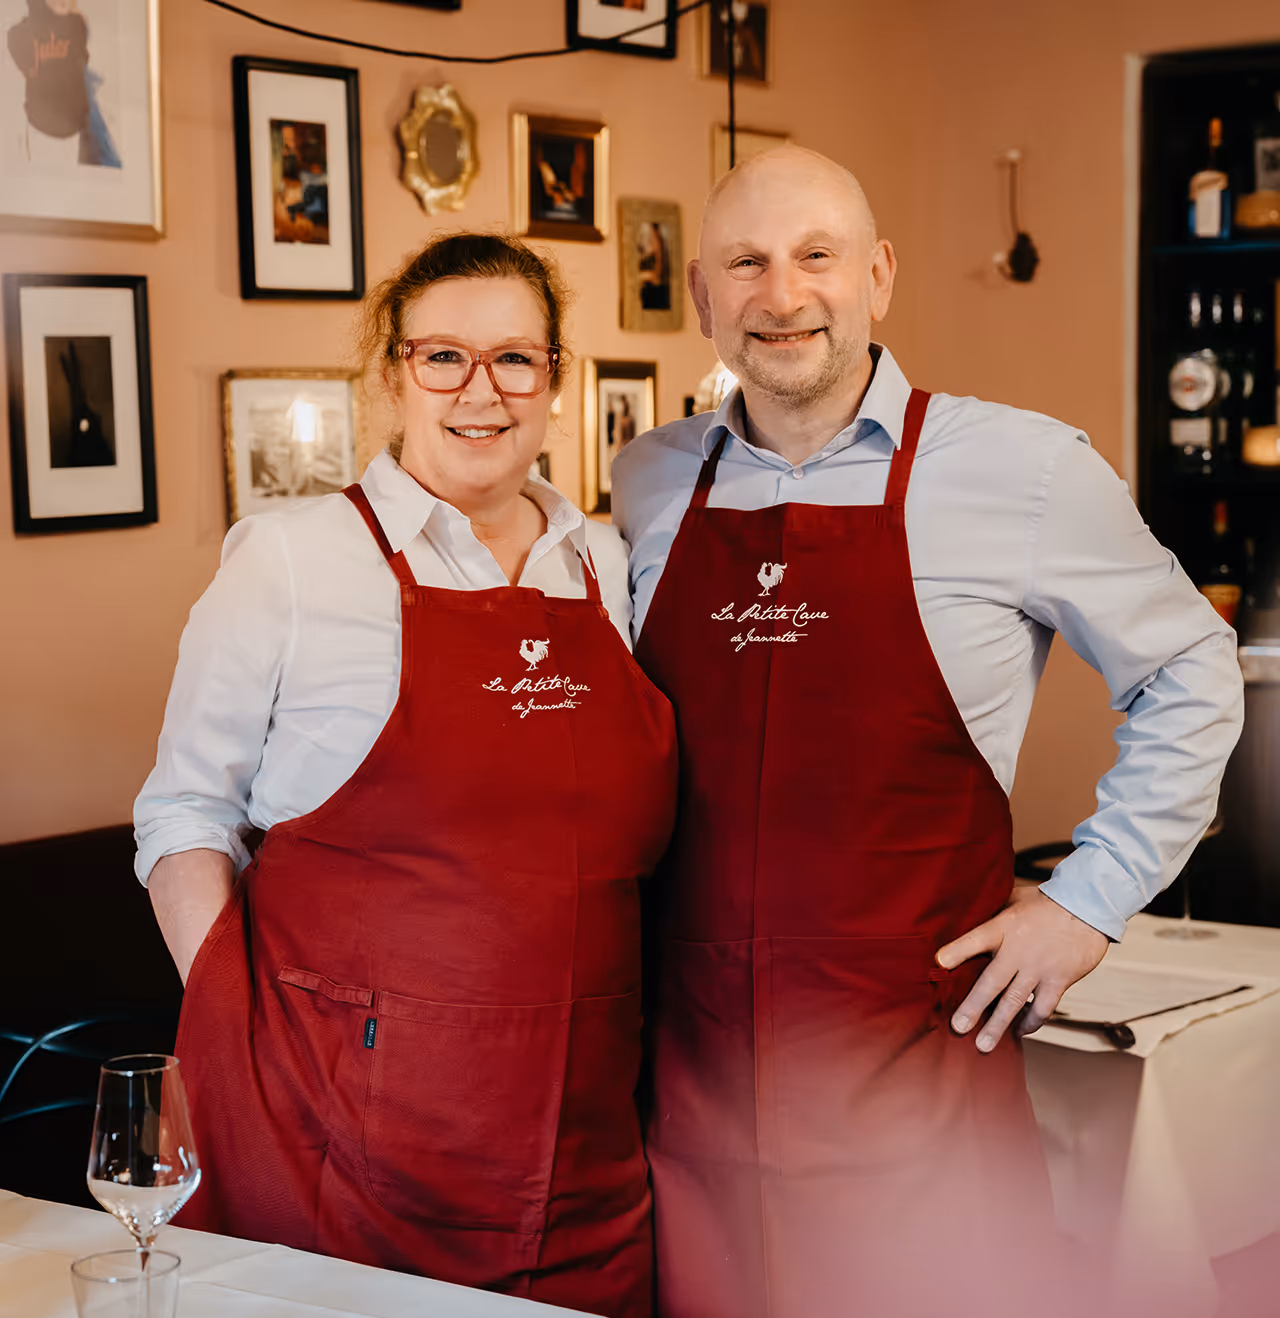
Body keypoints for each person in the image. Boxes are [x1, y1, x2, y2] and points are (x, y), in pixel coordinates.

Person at [611, 146, 1244, 1318]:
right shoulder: (646, 482)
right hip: (686, 1107)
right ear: (699, 296)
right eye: (742, 264)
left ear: (879, 276)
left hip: (921, 1093)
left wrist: (1084, 903)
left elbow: (1192, 671)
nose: (781, 294)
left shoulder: (1019, 466)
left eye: (816, 257)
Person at [136, 233, 678, 1318]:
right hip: (339, 1134)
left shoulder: (605, 562)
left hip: (584, 1138)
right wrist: (239, 1024)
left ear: (555, 380)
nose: (481, 392)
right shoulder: (290, 559)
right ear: (391, 374)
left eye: (515, 359)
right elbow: (185, 812)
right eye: (443, 357)